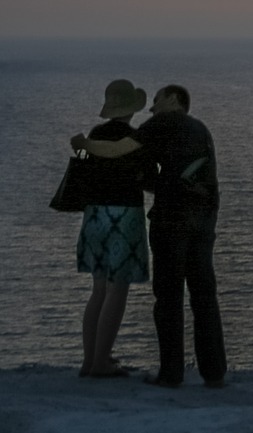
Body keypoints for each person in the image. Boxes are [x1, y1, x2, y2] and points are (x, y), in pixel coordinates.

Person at [72, 84, 227, 389]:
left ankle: (171, 374)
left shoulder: (161, 123)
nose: (152, 109)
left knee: (168, 297)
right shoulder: (202, 130)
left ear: (173, 98)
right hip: (204, 221)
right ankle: (215, 372)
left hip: (171, 220)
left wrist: (83, 145)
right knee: (204, 295)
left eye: (155, 101)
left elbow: (118, 151)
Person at [76, 79, 154, 378]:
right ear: (131, 109)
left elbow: (84, 169)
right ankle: (101, 363)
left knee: (98, 290)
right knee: (117, 290)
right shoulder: (136, 139)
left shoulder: (95, 135)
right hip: (124, 216)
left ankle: (89, 360)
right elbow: (148, 179)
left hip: (95, 215)